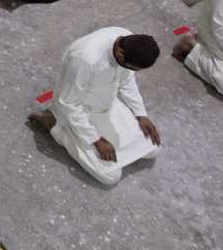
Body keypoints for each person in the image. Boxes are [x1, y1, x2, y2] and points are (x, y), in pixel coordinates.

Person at [27, 29, 162, 187]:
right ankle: (54, 124)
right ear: (120, 55)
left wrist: (141, 114)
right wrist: (96, 139)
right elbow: (68, 103)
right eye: (133, 68)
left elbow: (127, 82)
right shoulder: (85, 59)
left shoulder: (127, 37)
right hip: (78, 111)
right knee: (111, 176)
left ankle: (91, 136)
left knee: (153, 148)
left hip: (109, 105)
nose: (133, 72)